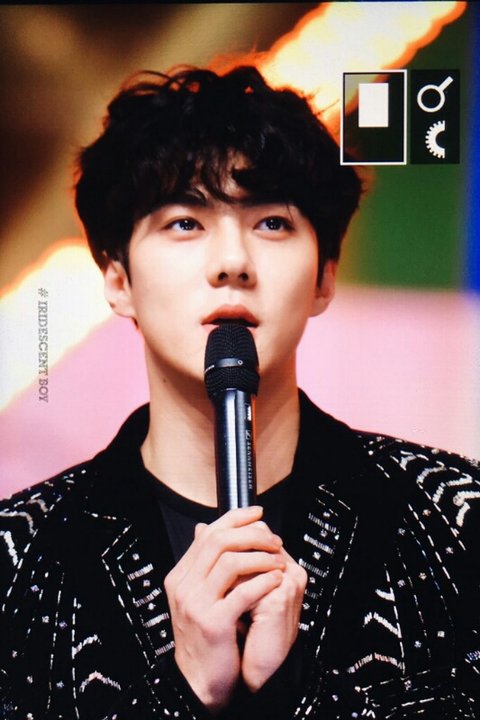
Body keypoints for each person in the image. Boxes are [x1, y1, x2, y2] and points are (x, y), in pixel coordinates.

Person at [0, 65, 479, 720]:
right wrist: (187, 691)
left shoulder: (457, 521)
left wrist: (286, 693)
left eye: (272, 223)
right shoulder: (18, 558)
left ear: (325, 276)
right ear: (117, 279)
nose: (232, 262)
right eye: (184, 223)